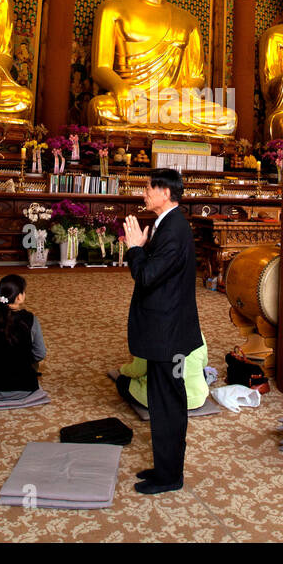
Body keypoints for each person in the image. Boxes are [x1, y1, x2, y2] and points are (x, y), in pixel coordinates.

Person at [122, 168, 203, 494]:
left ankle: (170, 476)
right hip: (164, 329)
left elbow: (146, 275)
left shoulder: (173, 230)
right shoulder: (167, 224)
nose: (144, 193)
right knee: (161, 400)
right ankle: (164, 468)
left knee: (168, 402)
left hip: (168, 333)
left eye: (148, 188)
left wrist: (134, 248)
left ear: (165, 193)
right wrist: (142, 245)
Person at [117, 335, 209, 411]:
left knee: (121, 382)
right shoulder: (198, 333)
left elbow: (137, 371)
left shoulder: (149, 335)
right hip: (196, 398)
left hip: (159, 400)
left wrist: (123, 369)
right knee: (201, 373)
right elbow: (203, 364)